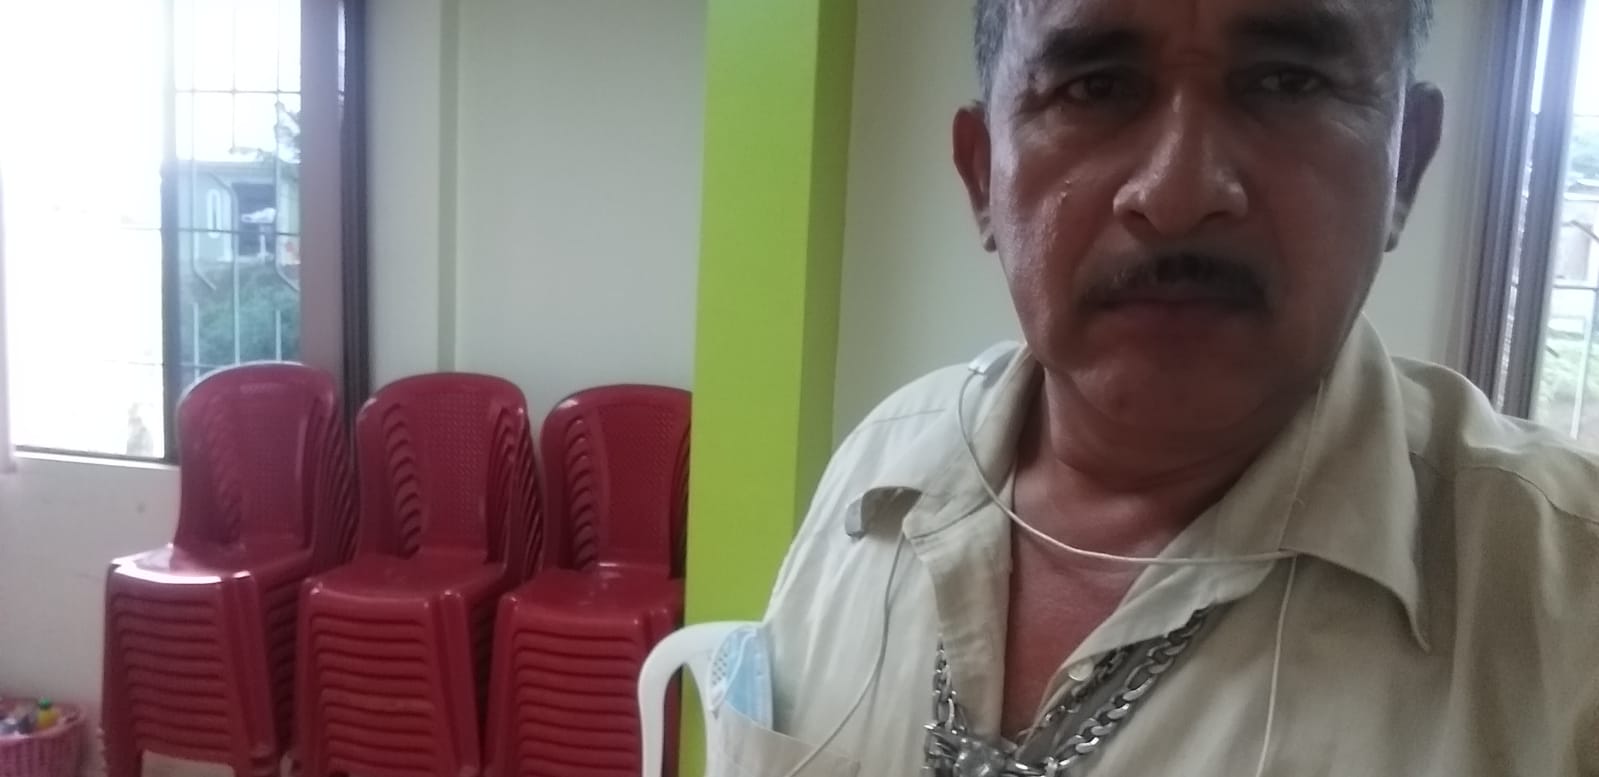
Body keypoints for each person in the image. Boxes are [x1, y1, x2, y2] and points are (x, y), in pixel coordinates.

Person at [711, 0, 1599, 775]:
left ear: (1403, 166)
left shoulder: (1566, 615)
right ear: (982, 175)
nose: (1177, 195)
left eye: (1286, 82)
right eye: (1094, 87)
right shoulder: (878, 471)